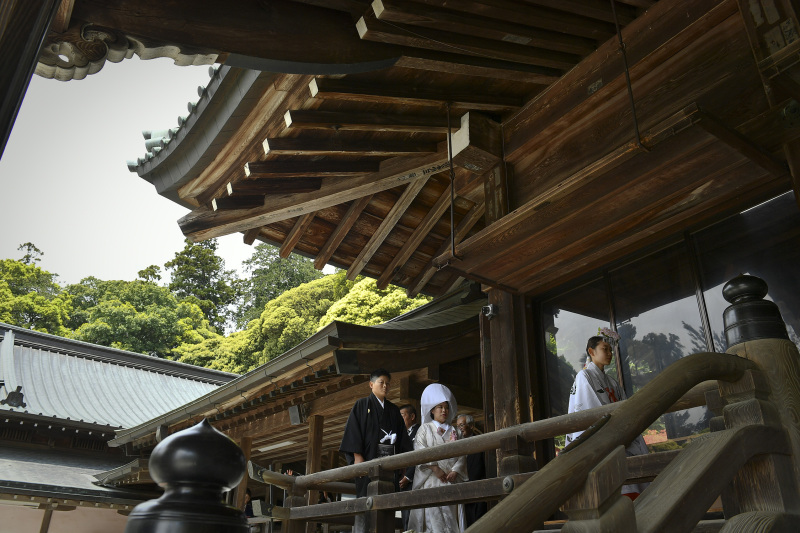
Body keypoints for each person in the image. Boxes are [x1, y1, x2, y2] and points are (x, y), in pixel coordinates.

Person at [566, 328, 649, 500]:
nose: (610, 353)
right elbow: (589, 409)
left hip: (619, 434)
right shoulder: (584, 376)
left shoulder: (612, 382)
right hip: (606, 437)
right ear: (591, 351)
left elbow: (627, 407)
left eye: (611, 350)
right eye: (605, 349)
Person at [339, 369, 412, 532]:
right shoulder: (361, 405)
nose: (385, 386)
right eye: (381, 382)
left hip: (389, 465)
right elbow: (353, 432)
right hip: (366, 464)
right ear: (371, 384)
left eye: (388, 383)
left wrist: (403, 463)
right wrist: (357, 457)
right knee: (365, 504)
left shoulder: (393, 410)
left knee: (387, 506)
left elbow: (402, 439)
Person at [408, 384, 467, 533]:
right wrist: (435, 468)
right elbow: (420, 450)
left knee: (451, 517)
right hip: (432, 480)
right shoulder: (425, 429)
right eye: (439, 407)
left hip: (451, 480)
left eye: (446, 407)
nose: (444, 410)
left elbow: (463, 453)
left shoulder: (455, 431)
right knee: (432, 519)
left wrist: (456, 470)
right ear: (432, 410)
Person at [456, 414, 487, 527]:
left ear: (472, 426)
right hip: (463, 490)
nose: (460, 428)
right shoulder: (456, 445)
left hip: (479, 488)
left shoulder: (481, 441)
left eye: (462, 425)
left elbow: (485, 466)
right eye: (458, 426)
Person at [398, 404, 420, 530]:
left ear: (412, 416)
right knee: (405, 516)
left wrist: (408, 476)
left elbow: (418, 456)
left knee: (412, 515)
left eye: (403, 416)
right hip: (403, 480)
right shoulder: (403, 434)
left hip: (413, 479)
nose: (400, 420)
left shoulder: (419, 431)